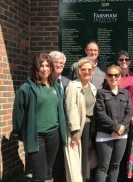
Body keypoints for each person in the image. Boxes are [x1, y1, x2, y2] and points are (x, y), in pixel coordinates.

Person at [12, 53, 67, 181]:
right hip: (36, 137)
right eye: (41, 65)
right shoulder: (26, 89)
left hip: (53, 135)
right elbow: (18, 115)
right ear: (35, 68)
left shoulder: (57, 87)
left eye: (47, 65)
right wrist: (22, 135)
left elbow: (60, 112)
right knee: (39, 175)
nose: (44, 68)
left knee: (48, 171)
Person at [95, 65, 132, 182]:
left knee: (115, 165)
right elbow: (100, 114)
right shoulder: (101, 93)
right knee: (103, 167)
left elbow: (129, 113)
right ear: (106, 77)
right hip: (105, 134)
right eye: (110, 75)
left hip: (121, 135)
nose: (113, 77)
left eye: (116, 75)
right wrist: (115, 128)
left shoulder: (126, 93)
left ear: (120, 76)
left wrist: (120, 129)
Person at [64, 58, 97, 182]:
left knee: (85, 157)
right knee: (77, 157)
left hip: (90, 127)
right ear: (78, 71)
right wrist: (75, 131)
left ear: (93, 71)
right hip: (78, 127)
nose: (87, 71)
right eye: (84, 69)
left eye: (89, 69)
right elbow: (70, 108)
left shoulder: (93, 88)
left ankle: (85, 178)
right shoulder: (73, 86)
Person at [49, 50, 70, 182]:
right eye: (56, 62)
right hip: (51, 127)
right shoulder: (44, 81)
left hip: (65, 127)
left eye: (61, 63)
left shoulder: (68, 82)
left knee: (62, 160)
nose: (59, 65)